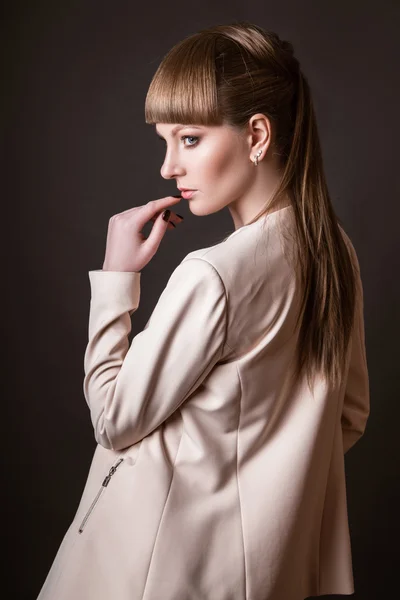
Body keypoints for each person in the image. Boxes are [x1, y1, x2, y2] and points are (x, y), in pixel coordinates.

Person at [36, 20, 370, 600]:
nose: (169, 166)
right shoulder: (334, 251)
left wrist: (117, 280)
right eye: (165, 141)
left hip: (163, 571)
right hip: (275, 573)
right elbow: (350, 415)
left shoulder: (212, 274)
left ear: (257, 135)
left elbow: (114, 421)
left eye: (189, 139)